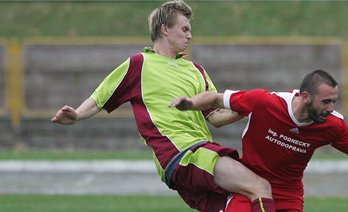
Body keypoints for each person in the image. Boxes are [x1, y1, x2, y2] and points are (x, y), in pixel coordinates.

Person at [51, 1, 275, 211]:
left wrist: (252, 107)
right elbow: (100, 97)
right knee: (260, 187)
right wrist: (77, 114)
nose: (190, 35)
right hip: (182, 154)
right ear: (165, 29)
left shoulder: (196, 70)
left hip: (198, 153)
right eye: (184, 29)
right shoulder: (139, 63)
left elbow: (215, 117)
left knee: (240, 204)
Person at [171, 70, 348, 211]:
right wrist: (190, 104)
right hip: (248, 186)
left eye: (334, 102)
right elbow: (215, 98)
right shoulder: (266, 102)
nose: (331, 108)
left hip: (288, 195)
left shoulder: (332, 125)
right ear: (305, 97)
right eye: (326, 102)